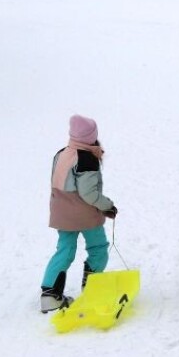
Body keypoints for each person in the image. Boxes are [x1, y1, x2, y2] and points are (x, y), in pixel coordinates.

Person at [40, 115, 118, 313]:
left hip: (61, 211)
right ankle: (92, 289)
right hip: (84, 215)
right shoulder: (87, 159)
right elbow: (88, 193)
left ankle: (49, 295)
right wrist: (107, 206)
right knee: (98, 248)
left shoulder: (62, 153)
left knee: (64, 250)